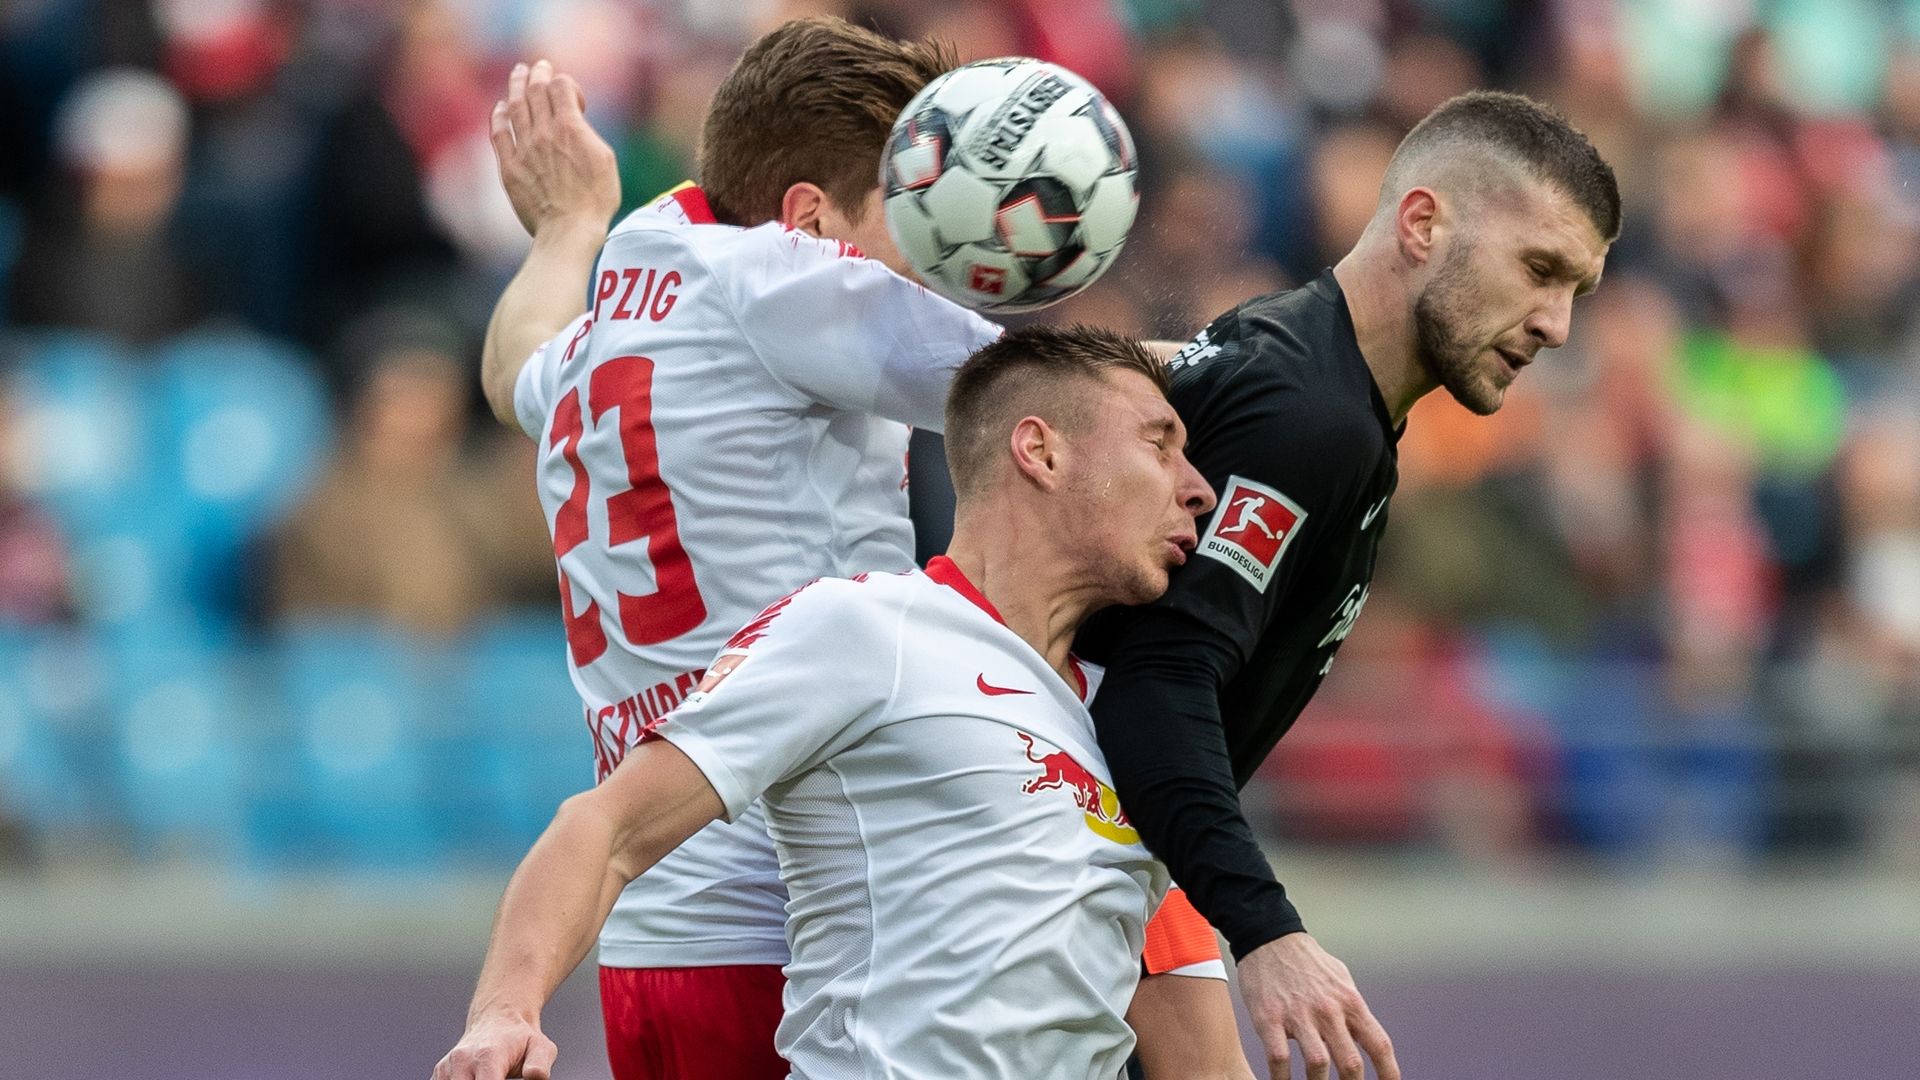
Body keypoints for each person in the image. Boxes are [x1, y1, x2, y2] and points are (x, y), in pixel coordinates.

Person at [480, 19, 1236, 1079]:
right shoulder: (781, 280)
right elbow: (1065, 402)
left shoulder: (625, 296)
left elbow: (511, 365)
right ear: (809, 218)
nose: (928, 268)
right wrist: (1284, 363)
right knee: (1116, 829)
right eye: (913, 222)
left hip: (653, 928)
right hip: (805, 908)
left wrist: (567, 227)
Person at [433, 326, 1217, 1080]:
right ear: (1040, 450)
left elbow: (1206, 1058)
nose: (1199, 491)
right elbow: (605, 828)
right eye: (1160, 445)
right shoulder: (863, 629)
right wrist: (505, 1011)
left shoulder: (1132, 721)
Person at [1079, 89, 1621, 1080]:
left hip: (1106, 867)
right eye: (1540, 270)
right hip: (1037, 878)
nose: (1557, 325)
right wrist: (1268, 933)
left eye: (1578, 289)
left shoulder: (1305, 368)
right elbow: (1155, 686)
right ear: (1423, 222)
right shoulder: (1311, 418)